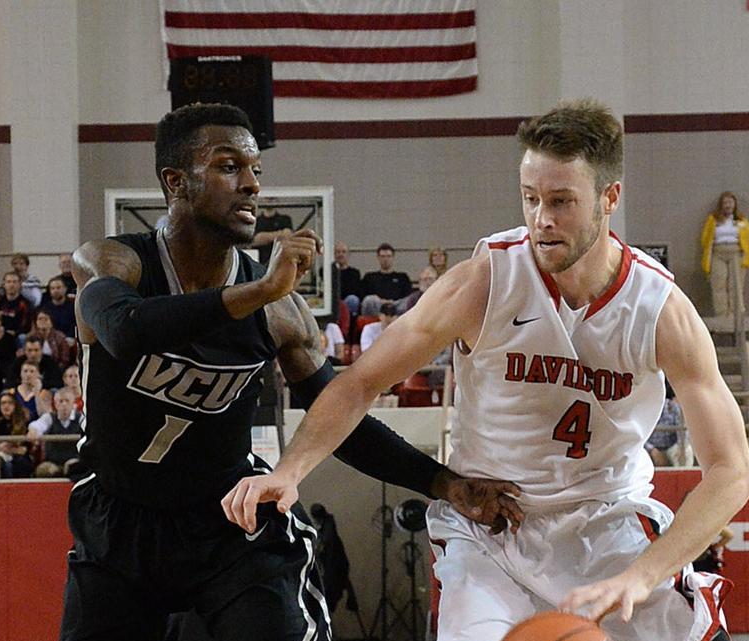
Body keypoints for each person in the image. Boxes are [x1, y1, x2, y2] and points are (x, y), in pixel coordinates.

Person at [222, 98, 749, 641]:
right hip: (491, 529)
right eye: (530, 198)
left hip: (608, 523)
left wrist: (642, 575)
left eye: (562, 201)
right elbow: (359, 383)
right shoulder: (485, 281)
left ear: (609, 197)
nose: (542, 219)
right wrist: (288, 472)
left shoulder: (659, 309)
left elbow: (731, 471)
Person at [60, 103, 520, 641]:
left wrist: (444, 482)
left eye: (256, 170)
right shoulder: (113, 262)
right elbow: (124, 329)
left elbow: (338, 417)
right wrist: (257, 291)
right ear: (176, 181)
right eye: (229, 166)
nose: (252, 184)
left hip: (229, 518)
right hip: (118, 519)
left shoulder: (281, 313)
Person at [699, 191, 749, 317]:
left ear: (735, 204)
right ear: (721, 205)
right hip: (718, 253)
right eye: (725, 203)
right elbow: (705, 238)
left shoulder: (742, 220)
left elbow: (748, 238)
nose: (728, 205)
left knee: (736, 285)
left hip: (736, 253)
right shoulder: (713, 220)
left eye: (730, 202)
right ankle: (722, 315)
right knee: (718, 284)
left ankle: (736, 316)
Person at [27, 386, 84, 477]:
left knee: (76, 467)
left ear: (73, 403)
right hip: (52, 463)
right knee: (43, 470)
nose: (64, 404)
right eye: (61, 401)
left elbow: (88, 428)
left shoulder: (81, 418)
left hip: (74, 461)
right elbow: (37, 425)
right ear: (56, 404)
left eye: (67, 401)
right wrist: (33, 431)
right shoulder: (49, 417)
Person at [359, 243, 414, 316]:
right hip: (377, 308)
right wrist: (380, 301)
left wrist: (392, 302)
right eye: (383, 256)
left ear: (393, 257)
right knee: (369, 299)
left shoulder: (403, 277)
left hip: (396, 307)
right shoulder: (369, 277)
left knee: (408, 301)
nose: (385, 259)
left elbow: (408, 296)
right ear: (378, 258)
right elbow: (363, 297)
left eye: (388, 256)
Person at [0, 270, 34, 336]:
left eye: (14, 282)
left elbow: (26, 326)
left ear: (20, 284)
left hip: (15, 335)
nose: (11, 285)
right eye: (8, 282)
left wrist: (15, 332)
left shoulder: (26, 304)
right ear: (4, 284)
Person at [331, 241, 363, 319]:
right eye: (338, 252)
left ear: (348, 255)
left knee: (353, 299)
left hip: (348, 303)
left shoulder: (354, 273)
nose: (341, 254)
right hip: (332, 302)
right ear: (334, 254)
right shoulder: (327, 272)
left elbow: (355, 292)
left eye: (343, 252)